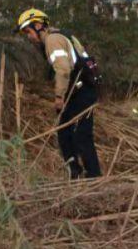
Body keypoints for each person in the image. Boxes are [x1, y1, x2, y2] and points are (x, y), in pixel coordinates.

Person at [16, 9, 102, 178]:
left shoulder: (52, 40)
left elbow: (63, 70)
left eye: (28, 31)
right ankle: (75, 173)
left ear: (39, 25)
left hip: (81, 91)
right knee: (65, 134)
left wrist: (59, 97)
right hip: (82, 89)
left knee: (81, 136)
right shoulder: (62, 35)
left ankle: (93, 177)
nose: (29, 37)